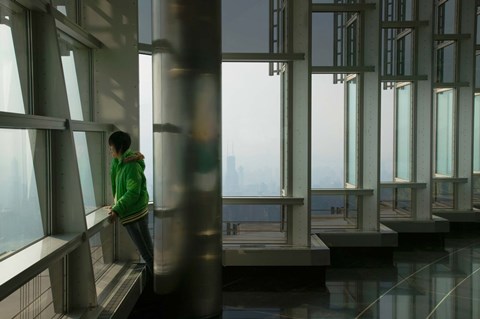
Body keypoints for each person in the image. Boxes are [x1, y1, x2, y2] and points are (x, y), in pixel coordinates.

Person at [108, 131, 153, 277]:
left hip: (134, 215)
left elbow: (133, 192)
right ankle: (163, 285)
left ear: (119, 147)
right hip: (134, 211)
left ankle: (163, 289)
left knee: (147, 254)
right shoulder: (122, 162)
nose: (110, 150)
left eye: (111, 147)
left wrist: (118, 208)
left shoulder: (131, 166)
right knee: (149, 252)